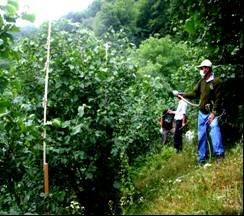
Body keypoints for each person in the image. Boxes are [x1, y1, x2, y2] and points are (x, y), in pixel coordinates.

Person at [177, 59, 224, 164]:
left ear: (208, 68)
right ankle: (202, 159)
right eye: (202, 68)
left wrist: (213, 113)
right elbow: (194, 93)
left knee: (214, 131)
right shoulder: (201, 81)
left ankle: (219, 155)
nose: (202, 70)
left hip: (212, 113)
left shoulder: (216, 82)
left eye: (204, 68)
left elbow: (218, 99)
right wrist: (182, 94)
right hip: (202, 113)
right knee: (201, 135)